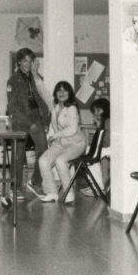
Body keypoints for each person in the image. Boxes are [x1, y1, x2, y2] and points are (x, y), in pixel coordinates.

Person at [33, 68, 86, 204]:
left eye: (65, 90)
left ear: (69, 93)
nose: (61, 93)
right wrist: (35, 75)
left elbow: (72, 129)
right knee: (43, 161)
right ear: (56, 93)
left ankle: (69, 195)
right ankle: (52, 192)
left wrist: (54, 135)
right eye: (59, 90)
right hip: (61, 143)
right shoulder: (54, 105)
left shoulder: (72, 108)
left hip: (76, 144)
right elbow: (43, 91)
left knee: (60, 161)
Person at [6, 48, 48, 200]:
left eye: (31, 60)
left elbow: (44, 100)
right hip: (20, 120)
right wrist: (29, 123)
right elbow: (12, 107)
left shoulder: (37, 78)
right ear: (19, 62)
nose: (28, 64)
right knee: (18, 155)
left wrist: (46, 121)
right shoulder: (12, 81)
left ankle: (35, 182)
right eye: (25, 60)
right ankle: (15, 186)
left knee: (43, 149)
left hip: (37, 117)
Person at [82, 98, 110, 196]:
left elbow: (106, 143)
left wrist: (99, 126)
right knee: (90, 150)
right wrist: (98, 126)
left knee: (92, 153)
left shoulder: (108, 121)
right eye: (95, 111)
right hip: (109, 147)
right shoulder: (103, 122)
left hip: (115, 148)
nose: (96, 113)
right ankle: (95, 184)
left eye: (99, 110)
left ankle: (99, 186)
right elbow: (93, 143)